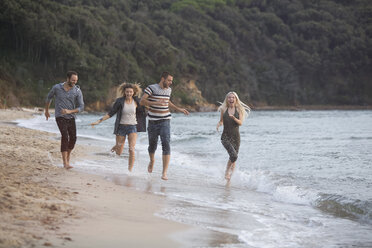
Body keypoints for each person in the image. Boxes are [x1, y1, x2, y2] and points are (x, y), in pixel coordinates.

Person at [140, 72, 189, 180]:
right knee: (152, 145)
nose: (171, 83)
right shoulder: (151, 88)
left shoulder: (169, 90)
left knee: (166, 143)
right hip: (153, 121)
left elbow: (167, 102)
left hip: (165, 120)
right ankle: (152, 160)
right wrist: (156, 103)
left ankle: (164, 173)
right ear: (163, 79)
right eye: (169, 80)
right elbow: (142, 102)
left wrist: (179, 109)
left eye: (171, 81)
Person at [90, 83, 146, 171]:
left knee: (131, 149)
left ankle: (130, 170)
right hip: (121, 127)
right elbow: (110, 113)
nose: (129, 94)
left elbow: (145, 110)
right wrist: (99, 121)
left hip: (132, 127)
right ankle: (114, 149)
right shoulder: (120, 101)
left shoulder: (137, 101)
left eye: (130, 92)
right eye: (127, 92)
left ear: (133, 92)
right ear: (124, 92)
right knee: (119, 150)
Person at [45, 71, 84, 169]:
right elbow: (49, 97)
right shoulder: (57, 88)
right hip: (60, 116)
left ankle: (68, 155)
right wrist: (46, 111)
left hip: (71, 117)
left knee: (73, 138)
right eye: (72, 80)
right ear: (67, 79)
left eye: (76, 80)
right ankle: (65, 162)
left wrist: (70, 111)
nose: (74, 82)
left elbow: (81, 107)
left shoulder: (77, 91)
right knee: (65, 136)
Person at [216, 91, 250, 180]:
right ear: (227, 99)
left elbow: (240, 123)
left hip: (236, 137)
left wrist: (234, 118)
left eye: (233, 97)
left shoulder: (239, 110)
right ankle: (226, 172)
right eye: (229, 97)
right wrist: (219, 124)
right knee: (234, 156)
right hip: (225, 137)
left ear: (236, 99)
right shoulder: (223, 109)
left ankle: (229, 179)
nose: (231, 99)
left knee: (233, 158)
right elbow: (221, 120)